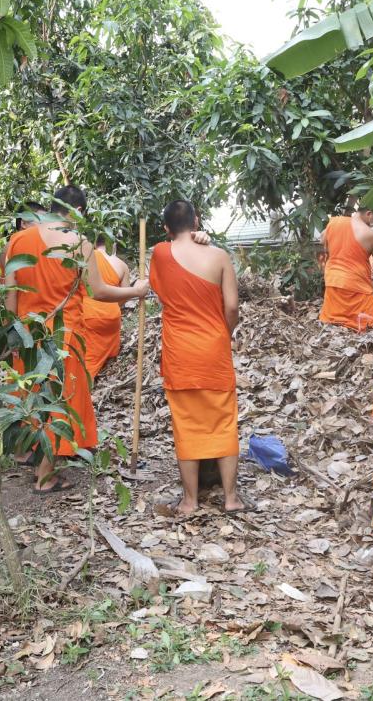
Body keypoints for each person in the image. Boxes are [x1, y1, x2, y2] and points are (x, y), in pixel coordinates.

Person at [3, 185, 147, 493]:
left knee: (32, 397)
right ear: (79, 212)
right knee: (58, 402)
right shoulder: (76, 243)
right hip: (62, 337)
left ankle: (30, 456)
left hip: (25, 333)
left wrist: (11, 333)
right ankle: (45, 476)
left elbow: (9, 294)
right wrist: (136, 291)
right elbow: (99, 291)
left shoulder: (17, 240)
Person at [147, 200, 247, 515]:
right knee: (224, 421)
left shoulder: (160, 255)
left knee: (186, 424)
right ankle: (231, 499)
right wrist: (223, 333)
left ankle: (190, 500)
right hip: (214, 348)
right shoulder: (219, 256)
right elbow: (232, 307)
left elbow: (160, 289)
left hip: (180, 352)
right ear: (197, 221)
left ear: (165, 228)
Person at [318, 206, 373, 331]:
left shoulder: (335, 222)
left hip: (333, 279)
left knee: (333, 317)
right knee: (372, 319)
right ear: (369, 214)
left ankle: (337, 322)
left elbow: (322, 239)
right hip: (357, 283)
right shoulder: (371, 234)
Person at [82, 239, 130, 377]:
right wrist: (113, 306)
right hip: (111, 316)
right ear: (113, 245)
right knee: (106, 359)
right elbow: (125, 295)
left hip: (88, 313)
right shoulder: (122, 265)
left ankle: (82, 387)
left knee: (88, 359)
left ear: (95, 244)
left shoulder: (87, 258)